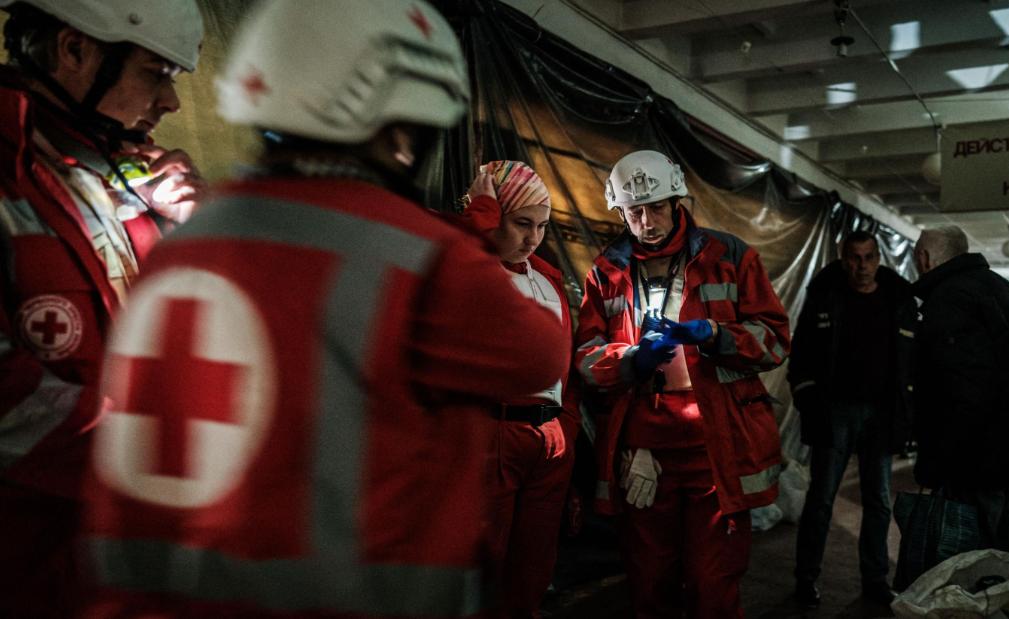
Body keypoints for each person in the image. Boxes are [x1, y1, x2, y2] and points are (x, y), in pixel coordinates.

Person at [83, 1, 571, 616]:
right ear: (396, 128)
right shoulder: (417, 256)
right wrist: (466, 237)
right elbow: (537, 356)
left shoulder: (183, 240)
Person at [0, 0, 204, 614]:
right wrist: (145, 453)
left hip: (106, 558)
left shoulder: (116, 172)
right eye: (155, 72)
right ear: (74, 49)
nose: (169, 103)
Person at [575, 149, 790, 618]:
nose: (646, 221)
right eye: (634, 211)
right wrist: (631, 359)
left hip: (716, 446)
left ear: (677, 202)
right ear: (621, 210)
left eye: (655, 208)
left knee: (714, 584)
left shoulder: (729, 256)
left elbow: (774, 340)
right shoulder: (606, 272)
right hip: (645, 450)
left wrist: (715, 335)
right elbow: (586, 359)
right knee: (650, 583)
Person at [463, 160, 579, 618]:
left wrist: (565, 430)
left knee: (533, 567)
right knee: (484, 565)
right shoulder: (468, 268)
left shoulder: (549, 279)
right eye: (521, 223)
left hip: (548, 440)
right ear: (494, 215)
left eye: (543, 226)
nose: (532, 238)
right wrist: (479, 223)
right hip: (493, 435)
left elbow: (564, 366)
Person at [911, 225, 1009, 572]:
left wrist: (939, 461)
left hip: (980, 457)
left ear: (925, 258)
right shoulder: (1006, 291)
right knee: (1008, 535)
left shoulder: (950, 300)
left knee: (975, 553)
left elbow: (962, 391)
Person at [787, 230, 916, 607]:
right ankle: (805, 580)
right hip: (835, 411)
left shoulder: (897, 299)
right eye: (854, 258)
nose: (862, 266)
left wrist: (908, 412)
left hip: (881, 413)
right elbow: (803, 353)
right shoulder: (827, 295)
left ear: (879, 259)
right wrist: (809, 400)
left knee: (877, 500)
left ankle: (875, 581)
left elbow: (911, 360)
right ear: (844, 260)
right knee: (821, 500)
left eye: (869, 257)